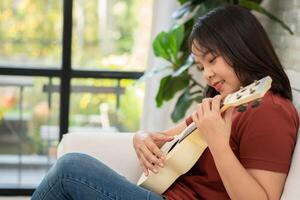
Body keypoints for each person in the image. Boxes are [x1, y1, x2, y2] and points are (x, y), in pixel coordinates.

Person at [31, 5, 299, 200]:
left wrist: (218, 144)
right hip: (163, 192)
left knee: (71, 169)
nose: (207, 74)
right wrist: (142, 137)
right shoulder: (227, 102)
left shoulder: (269, 111)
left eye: (212, 59)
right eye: (201, 65)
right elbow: (167, 136)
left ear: (241, 47)